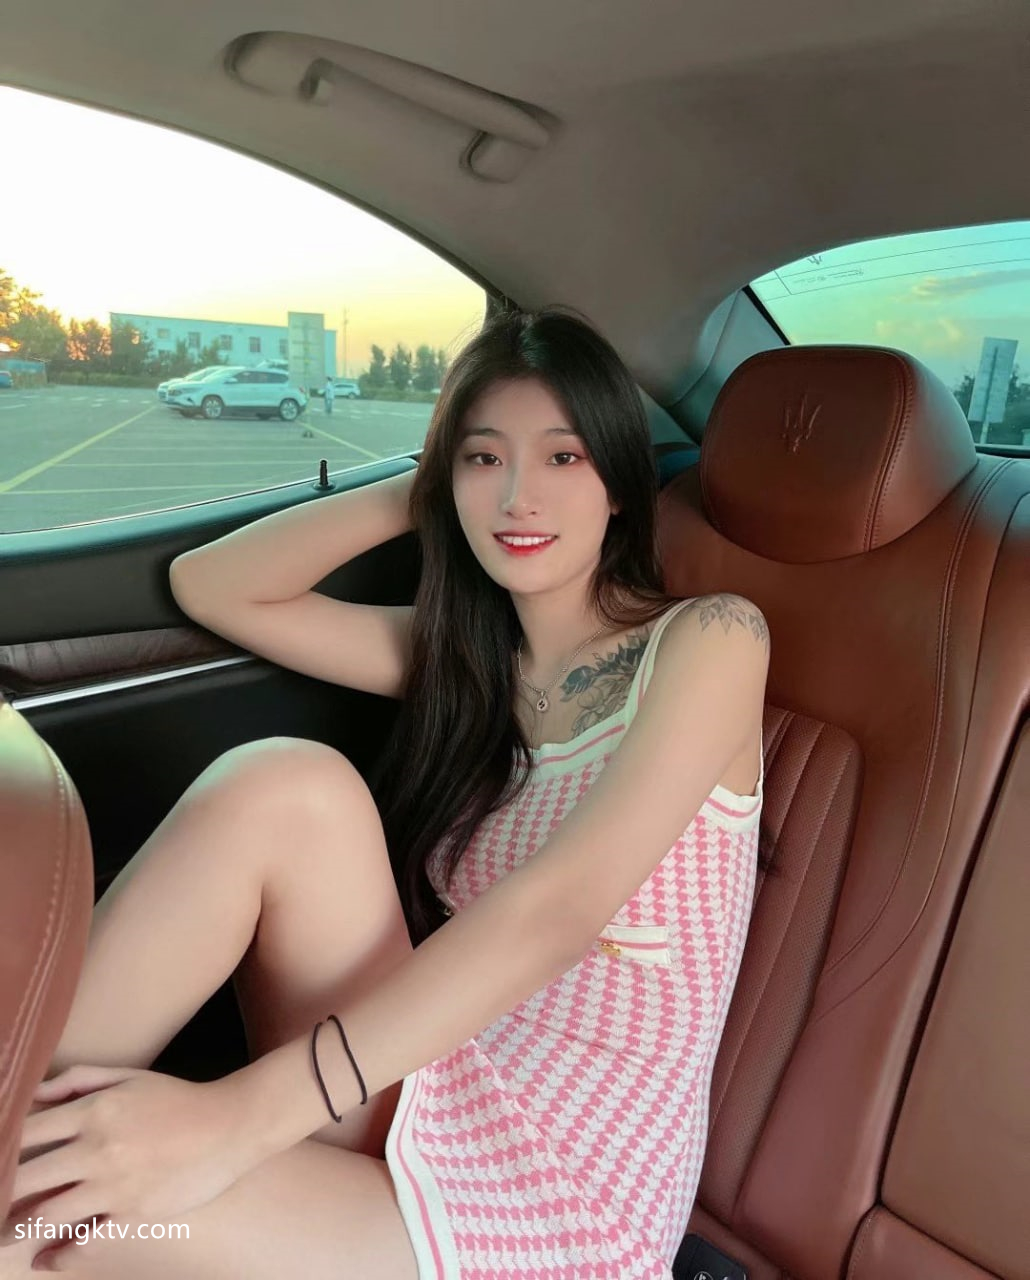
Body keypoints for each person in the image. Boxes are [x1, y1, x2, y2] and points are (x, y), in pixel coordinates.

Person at [2, 307, 769, 1279]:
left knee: (44, 1220)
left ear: (618, 481)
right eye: (485, 458)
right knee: (289, 785)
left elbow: (558, 913)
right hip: (433, 1073)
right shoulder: (471, 666)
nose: (520, 496)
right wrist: (431, 486)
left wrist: (230, 1121)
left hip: (566, 1190)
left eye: (563, 457)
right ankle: (17, 1108)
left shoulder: (712, 638)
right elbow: (214, 586)